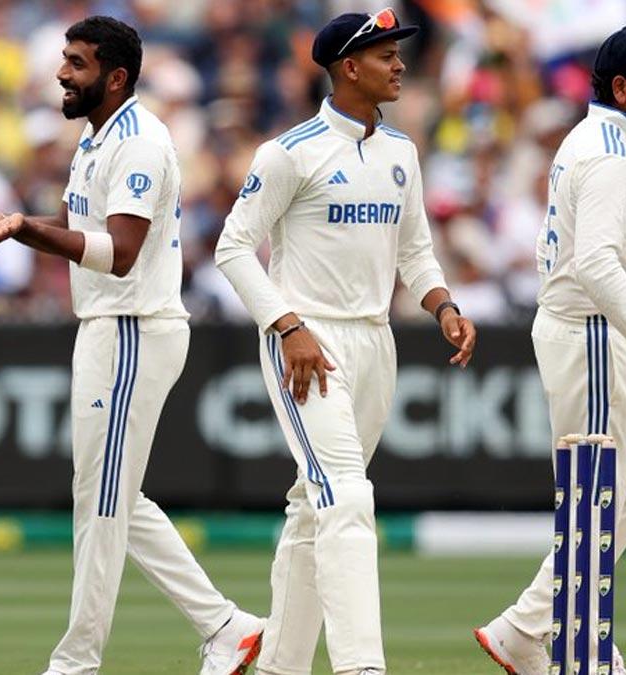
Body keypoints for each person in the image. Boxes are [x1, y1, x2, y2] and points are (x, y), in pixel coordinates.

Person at [0, 16, 264, 675]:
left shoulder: (141, 142)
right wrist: (22, 225)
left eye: (77, 62)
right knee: (111, 494)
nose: (62, 72)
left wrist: (24, 229)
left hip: (132, 326)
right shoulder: (97, 139)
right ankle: (226, 624)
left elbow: (119, 253)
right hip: (106, 325)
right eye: (64, 59)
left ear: (116, 77)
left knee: (100, 501)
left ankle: (76, 661)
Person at [214, 9, 478, 675]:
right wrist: (288, 325)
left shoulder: (401, 152)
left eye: (399, 53)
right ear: (347, 67)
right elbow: (233, 248)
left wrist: (442, 302)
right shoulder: (289, 151)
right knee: (348, 497)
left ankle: (279, 664)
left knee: (315, 505)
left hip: (374, 341)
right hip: (307, 341)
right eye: (386, 54)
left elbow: (415, 252)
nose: (400, 64)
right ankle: (363, 665)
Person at [474, 25, 626, 675]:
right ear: (620, 87)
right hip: (594, 334)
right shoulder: (608, 153)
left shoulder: (616, 144)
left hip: (608, 334)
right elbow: (599, 266)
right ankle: (584, 650)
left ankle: (526, 626)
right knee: (596, 495)